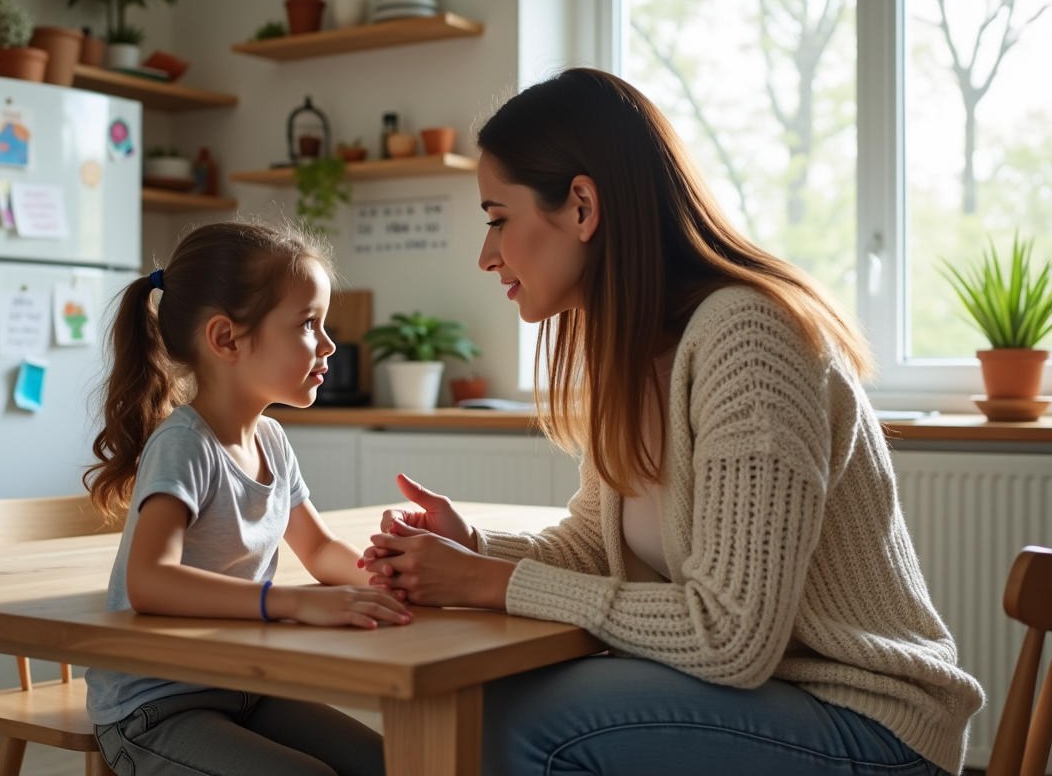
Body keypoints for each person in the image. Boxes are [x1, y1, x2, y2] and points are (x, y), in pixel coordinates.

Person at [360, 69, 985, 776]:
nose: (487, 254)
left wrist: (490, 584)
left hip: (871, 726)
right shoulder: (631, 350)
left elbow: (731, 636)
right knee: (489, 705)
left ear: (582, 206)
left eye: (498, 217)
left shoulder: (749, 339)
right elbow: (599, 544)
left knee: (517, 723)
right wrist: (476, 547)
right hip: (768, 706)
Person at [84, 221, 410, 776]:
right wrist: (292, 603)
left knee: (389, 764)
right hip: (152, 706)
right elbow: (149, 581)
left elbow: (319, 547)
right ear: (226, 339)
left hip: (241, 684)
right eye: (310, 324)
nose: (330, 344)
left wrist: (386, 579)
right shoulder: (184, 446)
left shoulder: (272, 441)